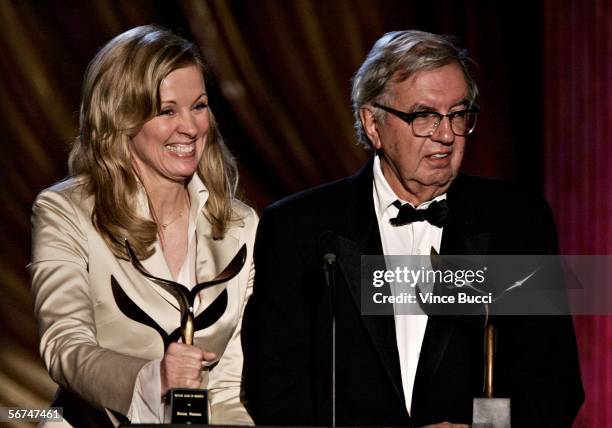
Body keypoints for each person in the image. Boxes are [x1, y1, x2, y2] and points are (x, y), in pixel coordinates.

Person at [242, 30, 584, 427]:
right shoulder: (298, 226)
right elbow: (275, 387)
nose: (446, 135)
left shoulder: (517, 221)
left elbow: (552, 380)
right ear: (372, 123)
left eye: (458, 114)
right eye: (423, 116)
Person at [29, 25, 256, 427]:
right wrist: (154, 380)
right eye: (167, 110)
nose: (190, 127)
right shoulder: (66, 212)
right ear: (121, 117)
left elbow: (225, 387)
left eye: (199, 106)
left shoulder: (241, 226)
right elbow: (65, 347)